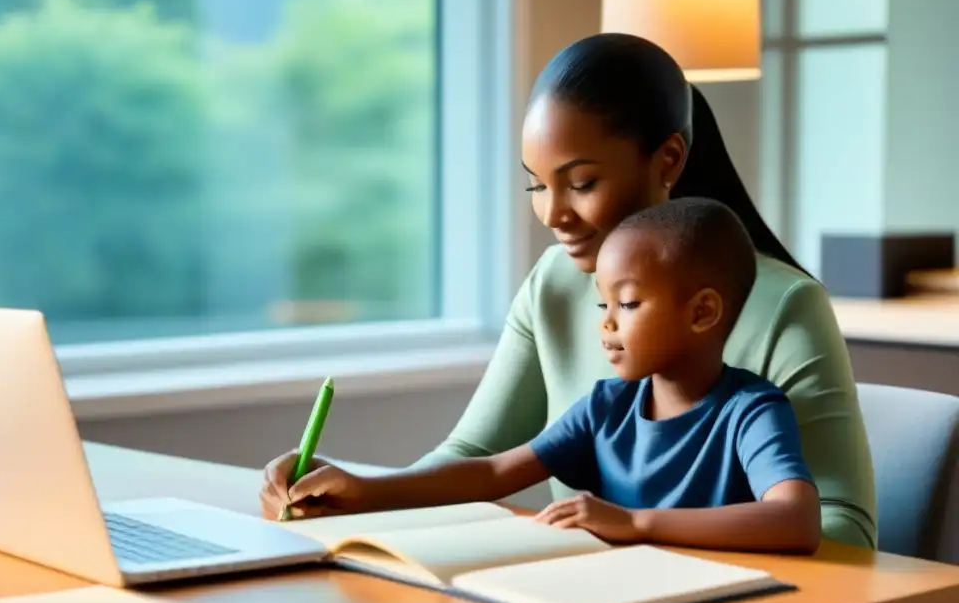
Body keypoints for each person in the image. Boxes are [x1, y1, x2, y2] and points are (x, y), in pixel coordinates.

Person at [261, 32, 877, 549]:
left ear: (667, 160)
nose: (553, 215)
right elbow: (482, 454)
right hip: (587, 598)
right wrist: (359, 496)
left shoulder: (782, 307)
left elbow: (839, 528)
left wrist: (645, 534)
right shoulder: (556, 286)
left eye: (580, 182)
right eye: (536, 185)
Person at [261, 198, 822, 554]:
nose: (605, 325)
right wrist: (362, 490)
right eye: (600, 305)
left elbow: (795, 519)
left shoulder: (751, 410)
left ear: (702, 312)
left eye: (625, 305)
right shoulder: (608, 406)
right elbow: (492, 473)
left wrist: (636, 523)